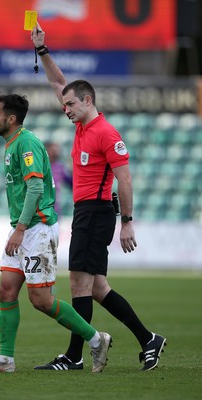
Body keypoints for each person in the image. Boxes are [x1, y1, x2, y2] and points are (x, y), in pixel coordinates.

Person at [31, 23, 166, 372]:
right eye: (65, 106)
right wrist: (43, 51)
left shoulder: (106, 133)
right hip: (86, 212)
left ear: (88, 100)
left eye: (71, 104)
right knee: (97, 287)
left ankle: (75, 356)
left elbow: (125, 179)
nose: (66, 109)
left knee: (80, 282)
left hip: (96, 212)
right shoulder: (81, 126)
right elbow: (58, 83)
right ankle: (148, 339)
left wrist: (127, 223)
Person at [0, 91, 112, 373]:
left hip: (36, 230)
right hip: (22, 229)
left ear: (11, 119)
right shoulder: (12, 144)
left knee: (41, 300)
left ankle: (97, 340)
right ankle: (5, 361)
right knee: (7, 290)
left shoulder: (26, 144)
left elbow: (35, 188)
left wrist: (20, 230)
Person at [44, 141, 72, 216]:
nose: (56, 153)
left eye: (57, 150)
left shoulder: (60, 167)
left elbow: (70, 183)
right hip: (40, 208)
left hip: (55, 209)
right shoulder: (40, 167)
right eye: (53, 150)